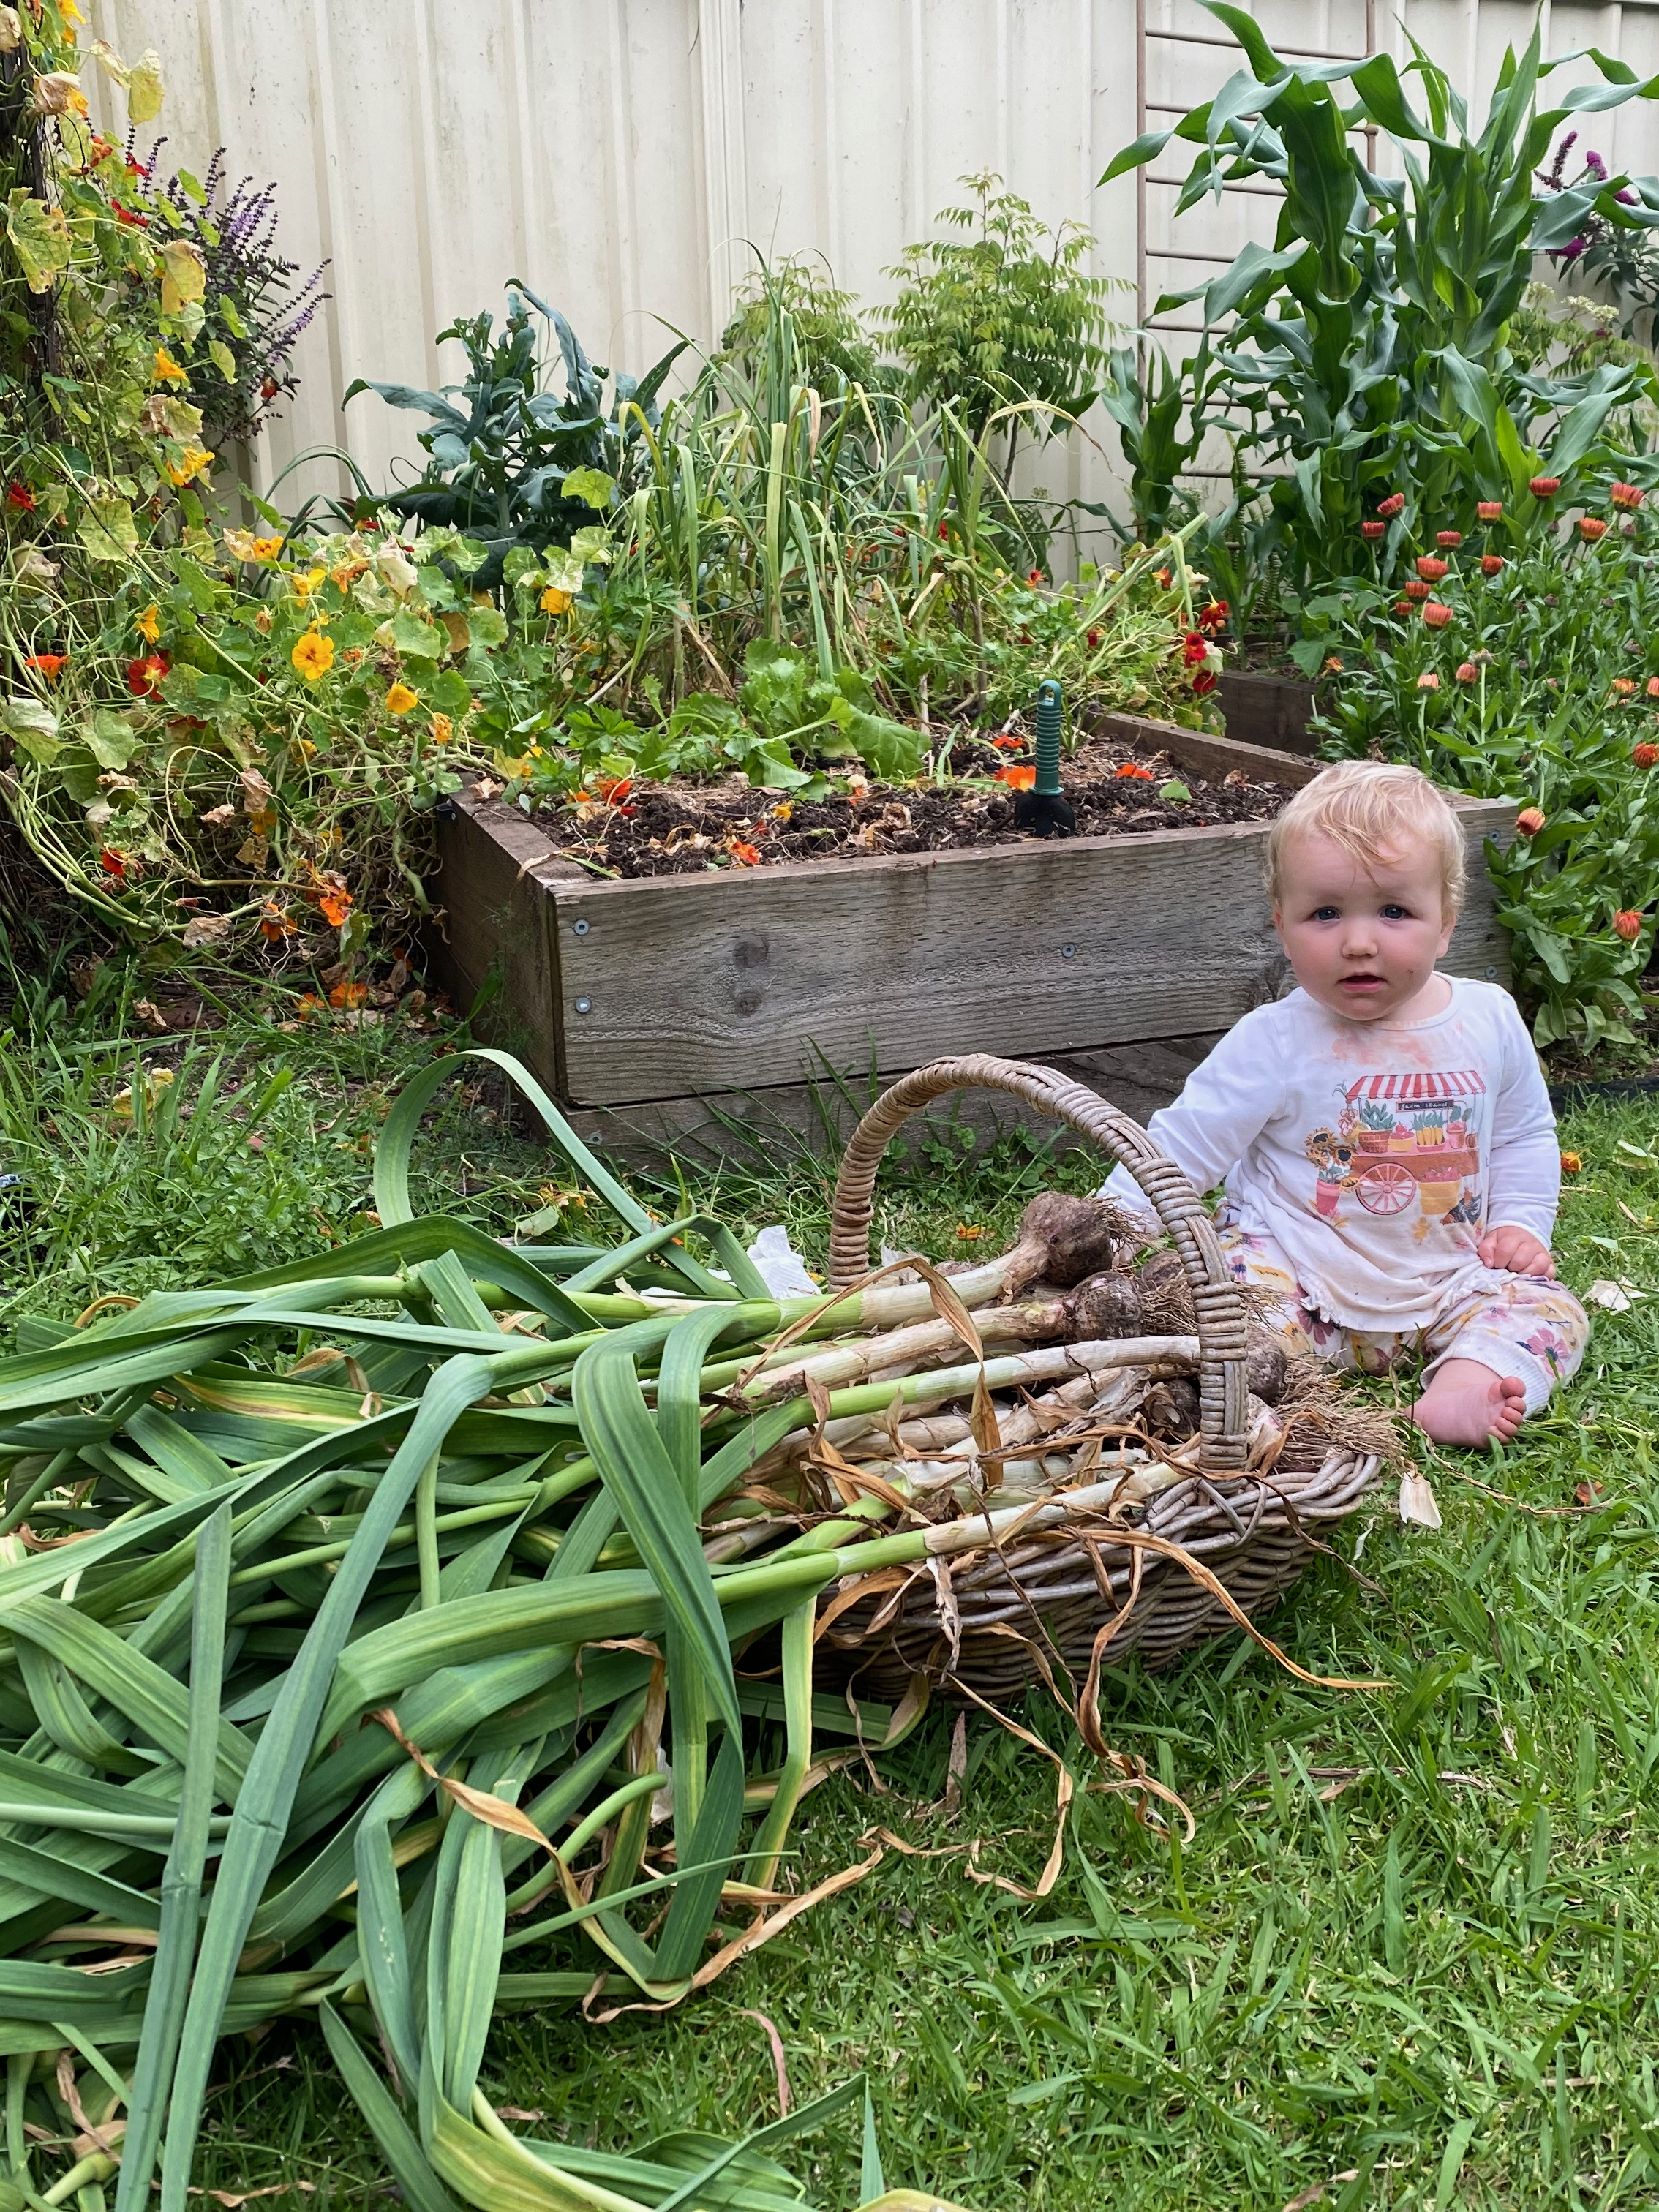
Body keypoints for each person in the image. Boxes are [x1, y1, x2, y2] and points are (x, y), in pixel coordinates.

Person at [1102, 759, 1587, 1447]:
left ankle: (1465, 1384)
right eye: (1325, 914)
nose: (1359, 943)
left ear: (1445, 923)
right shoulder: (1274, 1039)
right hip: (1293, 1277)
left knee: (1548, 1311)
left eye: (1394, 911)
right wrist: (1109, 1233)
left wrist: (1520, 1225)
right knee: (1213, 1296)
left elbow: (1523, 1134)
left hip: (1451, 1280)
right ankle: (1251, 1383)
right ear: (1282, 925)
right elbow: (1183, 1147)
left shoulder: (1489, 1020)